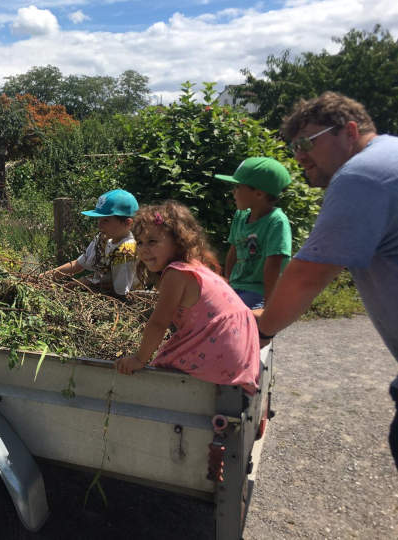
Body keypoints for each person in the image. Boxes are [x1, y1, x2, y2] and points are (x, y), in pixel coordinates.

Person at [255, 92, 398, 467]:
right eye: (294, 146)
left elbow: (308, 276)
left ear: (350, 131)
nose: (299, 155)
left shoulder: (363, 175)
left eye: (307, 142)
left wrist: (261, 329)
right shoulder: (389, 157)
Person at [115, 201, 261, 395]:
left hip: (220, 348)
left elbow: (158, 323)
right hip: (240, 349)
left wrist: (140, 359)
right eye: (139, 242)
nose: (143, 249)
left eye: (152, 241)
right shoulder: (195, 266)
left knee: (162, 362)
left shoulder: (176, 274)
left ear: (177, 241)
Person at [215, 157, 293, 309]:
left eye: (238, 187)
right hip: (236, 287)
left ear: (259, 194)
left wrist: (269, 306)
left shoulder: (276, 222)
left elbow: (274, 265)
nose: (233, 192)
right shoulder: (240, 215)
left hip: (259, 292)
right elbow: (233, 252)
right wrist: (228, 284)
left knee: (229, 317)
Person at [41, 189, 139, 297]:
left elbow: (120, 291)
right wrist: (44, 277)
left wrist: (83, 283)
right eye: (99, 220)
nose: (99, 226)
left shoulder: (126, 250)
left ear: (127, 223)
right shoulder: (104, 238)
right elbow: (79, 264)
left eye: (105, 220)